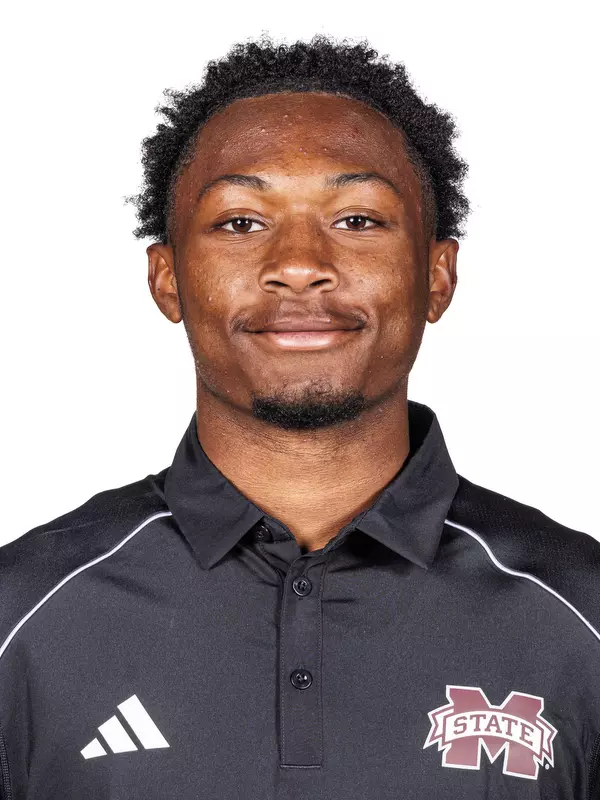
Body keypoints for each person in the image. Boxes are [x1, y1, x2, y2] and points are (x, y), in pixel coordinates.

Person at [0, 34, 598, 800]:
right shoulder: (23, 617)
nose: (299, 263)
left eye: (357, 219)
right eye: (241, 222)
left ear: (437, 276)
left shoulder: (580, 615)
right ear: (167, 279)